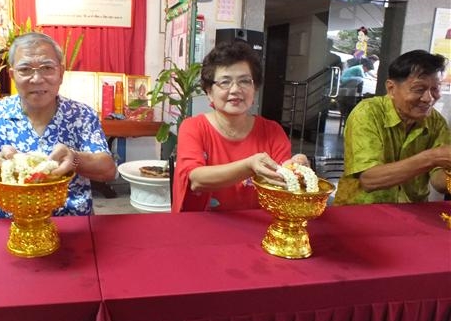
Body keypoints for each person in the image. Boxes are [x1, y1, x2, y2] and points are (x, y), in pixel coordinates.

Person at [0, 32, 117, 216]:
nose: (37, 79)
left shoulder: (81, 114)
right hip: (15, 223)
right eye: (25, 69)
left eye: (47, 68)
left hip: (74, 221)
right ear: (12, 75)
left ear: (61, 73)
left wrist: (75, 159)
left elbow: (108, 170)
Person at [172, 40, 309, 212]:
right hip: (201, 224)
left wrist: (295, 169)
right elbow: (196, 180)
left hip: (258, 224)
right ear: (209, 92)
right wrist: (249, 166)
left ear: (255, 89)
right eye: (225, 82)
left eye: (244, 81)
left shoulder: (272, 131)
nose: (235, 89)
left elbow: (282, 180)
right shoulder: (193, 127)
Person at [334, 49, 451, 205]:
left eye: (435, 89)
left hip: (412, 210)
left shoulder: (436, 122)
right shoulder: (368, 113)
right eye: (419, 89)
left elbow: (439, 181)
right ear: (391, 89)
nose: (428, 98)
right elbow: (369, 179)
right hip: (361, 208)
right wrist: (432, 158)